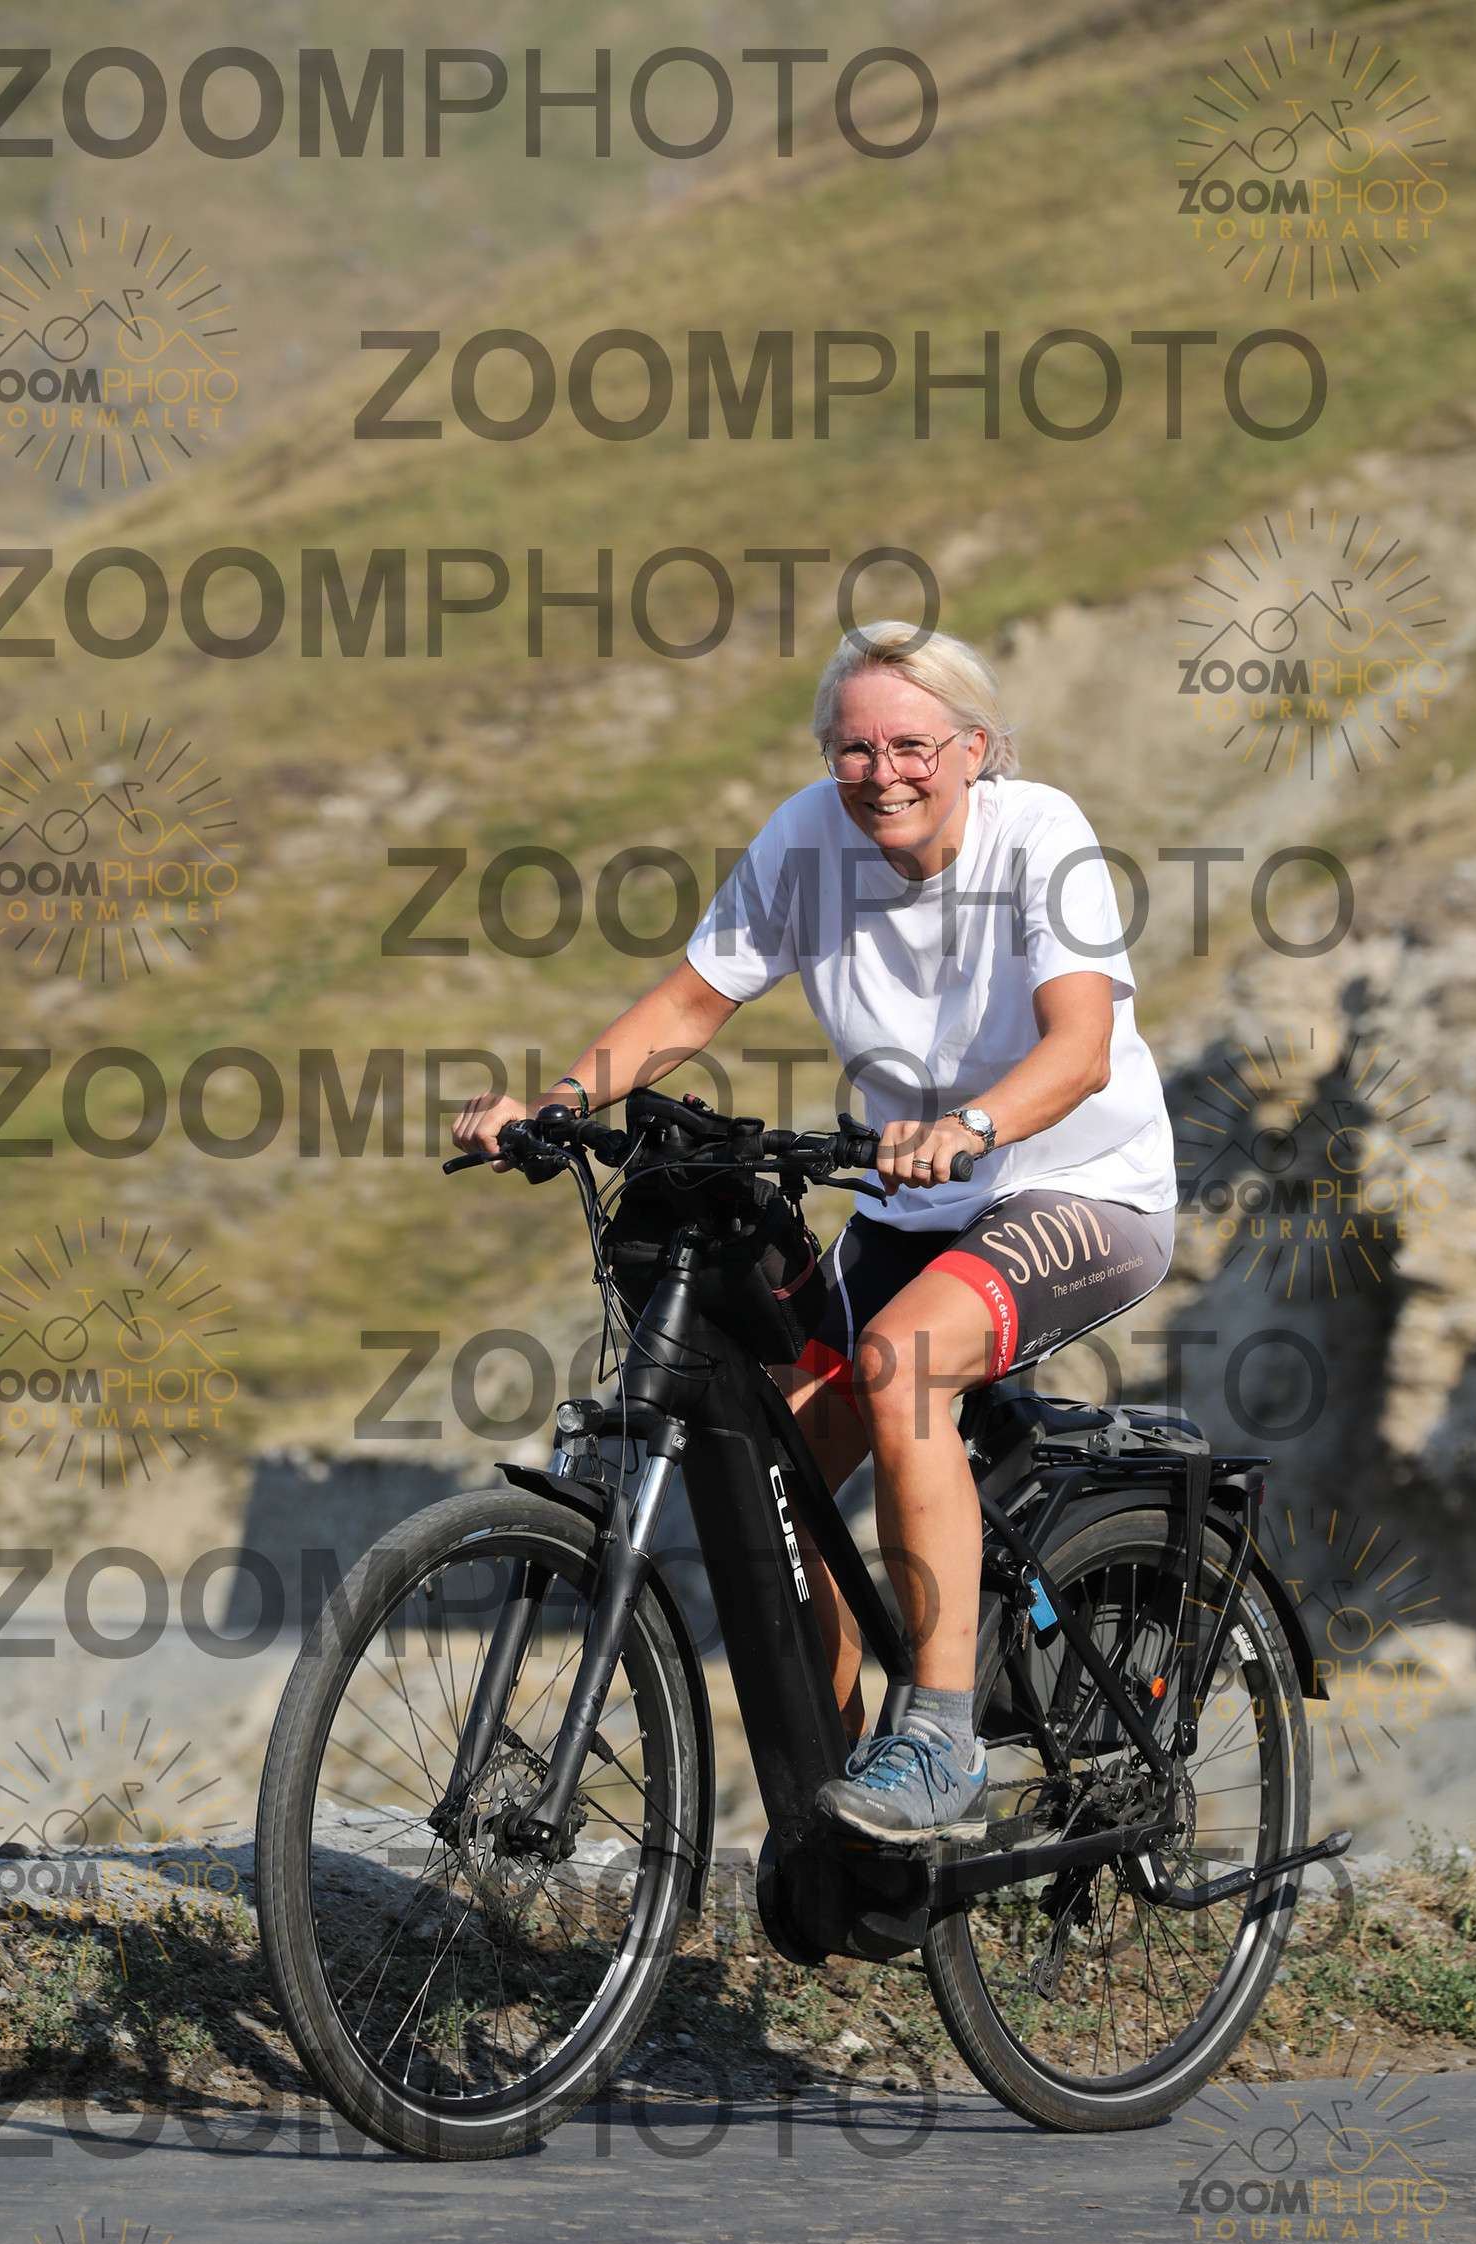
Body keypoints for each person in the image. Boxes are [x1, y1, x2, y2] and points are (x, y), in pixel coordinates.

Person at [453, 622, 1176, 1843]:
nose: (882, 774)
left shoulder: (1038, 834)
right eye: (854, 749)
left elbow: (1080, 1050)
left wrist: (970, 1125)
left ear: (974, 749)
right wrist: (561, 1102)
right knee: (771, 1478)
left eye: (912, 747)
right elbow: (693, 1000)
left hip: (1080, 1190)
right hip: (913, 1206)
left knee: (902, 1362)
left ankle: (937, 1738)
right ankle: (835, 1819)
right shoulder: (806, 838)